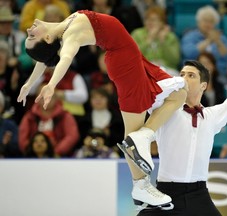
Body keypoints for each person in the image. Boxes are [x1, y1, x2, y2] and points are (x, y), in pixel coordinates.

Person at [17, 10, 187, 208]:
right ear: (47, 37)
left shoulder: (63, 29)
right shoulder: (70, 34)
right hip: (125, 63)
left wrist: (29, 84)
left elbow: (45, 58)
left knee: (179, 94)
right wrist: (52, 84)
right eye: (31, 35)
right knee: (132, 132)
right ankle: (141, 185)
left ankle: (146, 135)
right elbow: (65, 58)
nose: (29, 28)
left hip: (131, 58)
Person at [137, 60, 227, 215]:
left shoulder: (212, 116)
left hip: (199, 195)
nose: (183, 78)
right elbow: (152, 93)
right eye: (181, 74)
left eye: (191, 75)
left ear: (203, 85)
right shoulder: (165, 111)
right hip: (166, 193)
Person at [18, 84, 80, 157]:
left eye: (50, 96)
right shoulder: (29, 116)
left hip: (59, 157)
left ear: (56, 98)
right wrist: (32, 151)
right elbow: (22, 138)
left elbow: (72, 136)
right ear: (36, 98)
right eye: (42, 96)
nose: (46, 99)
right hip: (33, 157)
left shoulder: (65, 115)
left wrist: (56, 151)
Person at [181, 5, 227, 84]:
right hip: (194, 73)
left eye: (211, 21)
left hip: (217, 75)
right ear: (198, 22)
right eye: (205, 21)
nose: (208, 24)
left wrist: (218, 42)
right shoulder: (190, 36)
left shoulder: (222, 38)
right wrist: (209, 40)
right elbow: (189, 53)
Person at [131, 6, 181, 74]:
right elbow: (132, 56)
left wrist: (163, 41)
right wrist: (149, 40)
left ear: (162, 22)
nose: (149, 22)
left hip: (167, 69)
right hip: (143, 69)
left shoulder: (170, 36)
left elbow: (175, 60)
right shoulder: (137, 34)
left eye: (154, 20)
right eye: (147, 19)